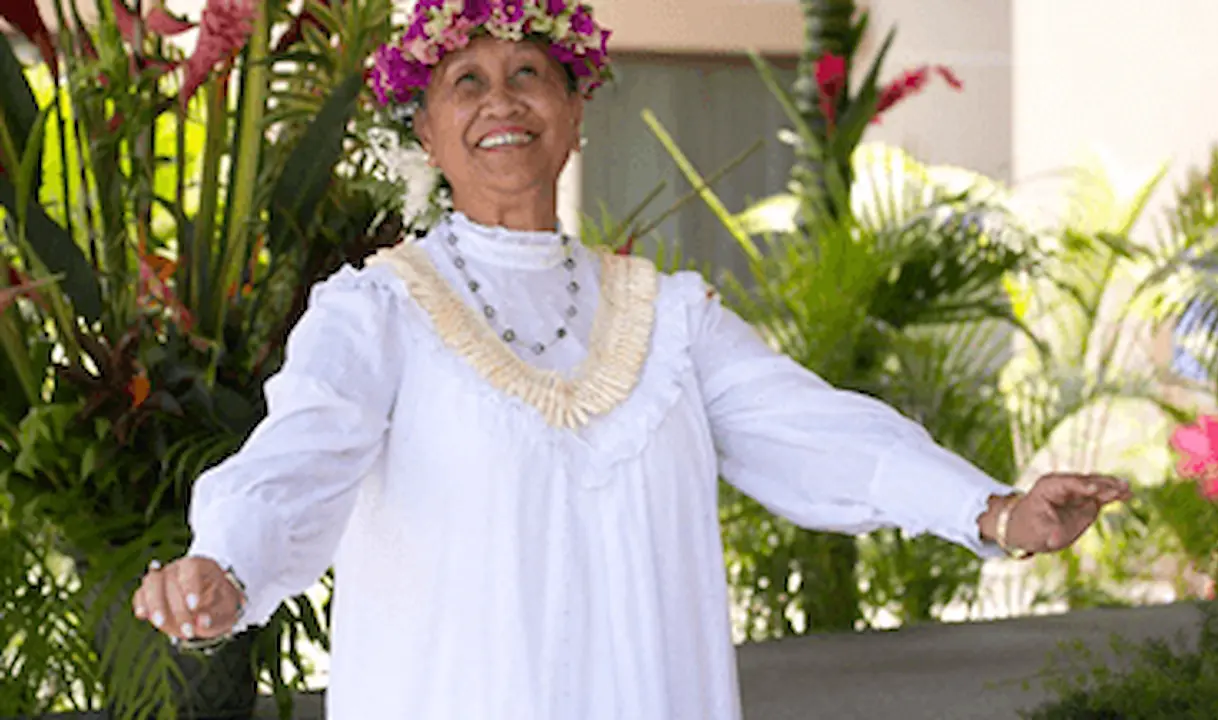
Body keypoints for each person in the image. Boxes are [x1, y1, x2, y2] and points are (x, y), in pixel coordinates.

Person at [132, 1, 1131, 718]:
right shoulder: (376, 312)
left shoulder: (668, 315)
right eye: (465, 81)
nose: (501, 100)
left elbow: (811, 430)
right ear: (426, 131)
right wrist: (226, 562)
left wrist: (989, 510)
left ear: (573, 113)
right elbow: (301, 454)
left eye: (529, 72)